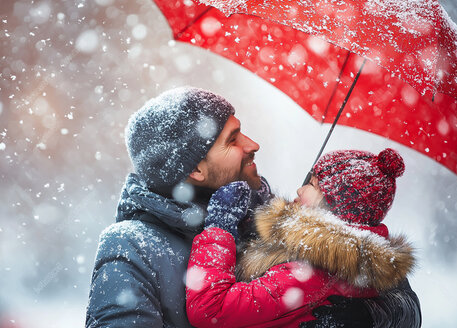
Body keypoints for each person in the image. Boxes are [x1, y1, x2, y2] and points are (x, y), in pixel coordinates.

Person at [85, 86, 421, 327]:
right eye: (232, 139)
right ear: (195, 169)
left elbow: (392, 286)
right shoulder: (131, 246)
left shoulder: (267, 211)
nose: (253, 144)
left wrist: (375, 316)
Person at [186, 148, 420, 327]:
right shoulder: (357, 258)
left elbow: (210, 310)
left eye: (312, 184)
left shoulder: (311, 272)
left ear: (333, 207)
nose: (299, 189)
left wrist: (219, 230)